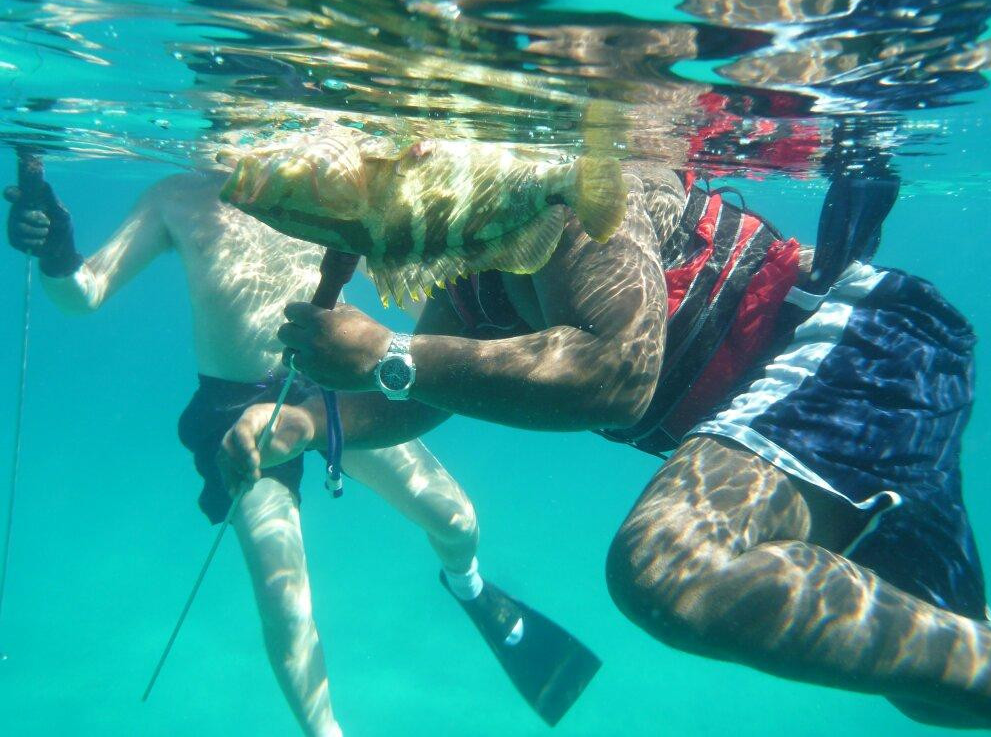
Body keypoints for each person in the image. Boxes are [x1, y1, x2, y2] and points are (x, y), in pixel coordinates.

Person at [219, 156, 991, 729]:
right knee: (941, 690)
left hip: (853, 356)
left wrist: (387, 357)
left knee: (672, 569)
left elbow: (615, 375)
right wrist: (310, 425)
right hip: (841, 394)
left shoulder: (566, 195)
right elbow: (430, 392)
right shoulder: (476, 262)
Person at [3, 161, 599, 736]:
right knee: (287, 606)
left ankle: (469, 586)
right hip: (240, 418)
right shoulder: (176, 196)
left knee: (457, 519)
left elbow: (414, 281)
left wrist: (485, 303)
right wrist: (56, 248)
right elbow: (84, 294)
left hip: (334, 385)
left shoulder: (331, 183)